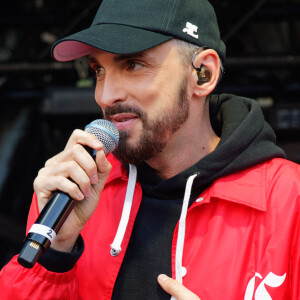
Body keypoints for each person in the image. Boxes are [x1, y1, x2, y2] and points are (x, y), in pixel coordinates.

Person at [0, 0, 299, 299]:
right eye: (98, 70)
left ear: (203, 74)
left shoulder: (289, 199)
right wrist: (55, 258)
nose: (106, 95)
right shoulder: (75, 192)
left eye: (133, 65)